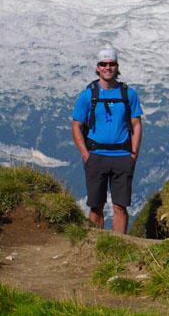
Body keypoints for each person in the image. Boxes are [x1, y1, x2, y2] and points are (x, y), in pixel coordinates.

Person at [71, 47, 143, 233]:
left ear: (117, 67)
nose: (107, 68)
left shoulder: (129, 94)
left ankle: (120, 245)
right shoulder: (87, 95)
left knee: (120, 206)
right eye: (104, 64)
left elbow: (136, 124)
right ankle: (96, 247)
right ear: (98, 68)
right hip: (96, 156)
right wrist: (86, 155)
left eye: (111, 64)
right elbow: (76, 125)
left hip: (123, 156)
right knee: (96, 206)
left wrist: (133, 154)